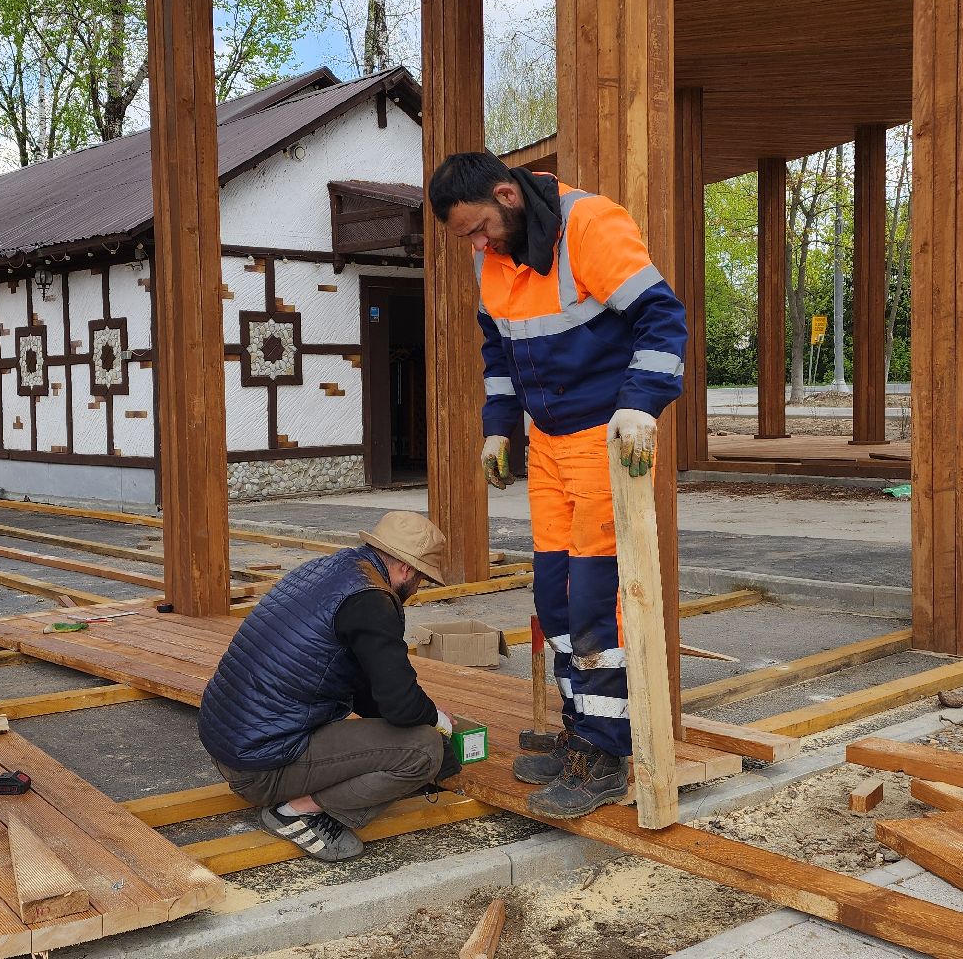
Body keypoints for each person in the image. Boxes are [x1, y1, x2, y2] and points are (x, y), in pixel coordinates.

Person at [426, 150, 687, 819]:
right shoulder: (491, 256)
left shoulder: (591, 225)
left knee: (596, 600)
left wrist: (641, 405)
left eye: (479, 229)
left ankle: (605, 753)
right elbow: (499, 349)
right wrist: (498, 428)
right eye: (466, 237)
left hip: (606, 438)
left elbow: (663, 319)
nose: (477, 245)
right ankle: (582, 730)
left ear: (507, 195)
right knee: (554, 595)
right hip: (547, 442)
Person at [198, 511, 461, 862]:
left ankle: (299, 795)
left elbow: (369, 690)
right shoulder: (372, 601)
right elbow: (399, 704)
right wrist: (436, 724)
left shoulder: (330, 571)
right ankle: (296, 813)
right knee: (425, 750)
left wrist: (422, 714)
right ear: (406, 569)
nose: (416, 590)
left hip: (234, 745)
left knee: (413, 733)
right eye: (421, 580)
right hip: (260, 767)